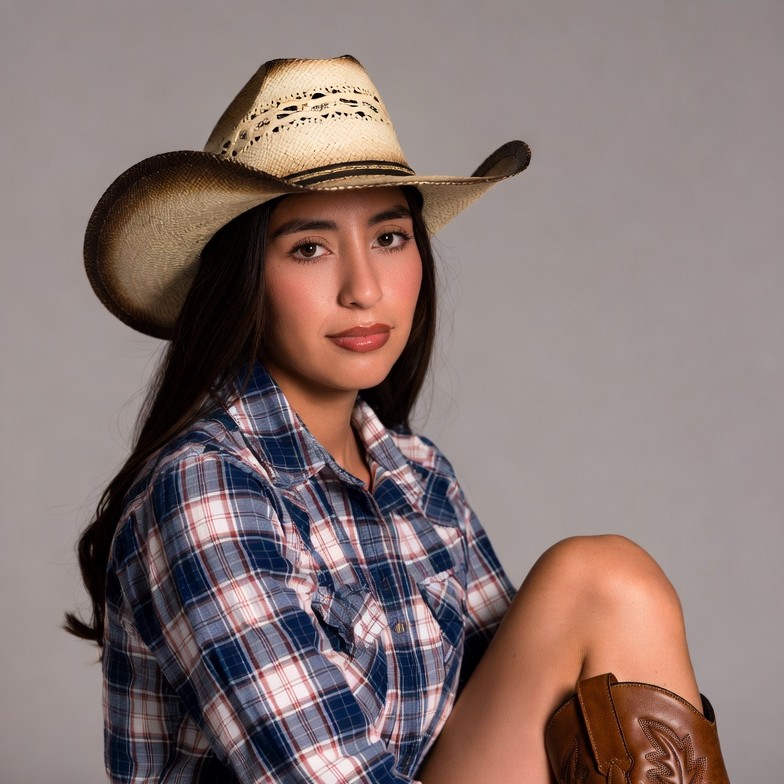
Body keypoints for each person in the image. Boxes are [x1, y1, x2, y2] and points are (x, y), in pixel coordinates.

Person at [66, 56, 731, 783]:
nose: (364, 289)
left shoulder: (416, 474)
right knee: (596, 578)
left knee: (605, 582)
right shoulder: (205, 490)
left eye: (389, 237)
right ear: (244, 279)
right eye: (310, 248)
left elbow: (534, 726)